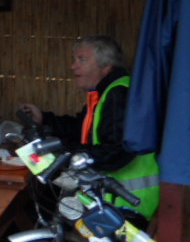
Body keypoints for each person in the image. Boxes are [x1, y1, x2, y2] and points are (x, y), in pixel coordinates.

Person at [21, 34, 159, 221]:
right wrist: (44, 118)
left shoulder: (119, 95)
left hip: (127, 201)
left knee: (47, 205)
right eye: (74, 59)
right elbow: (82, 129)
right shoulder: (106, 92)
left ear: (105, 66)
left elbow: (115, 152)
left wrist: (67, 153)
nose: (73, 66)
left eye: (82, 59)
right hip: (112, 197)